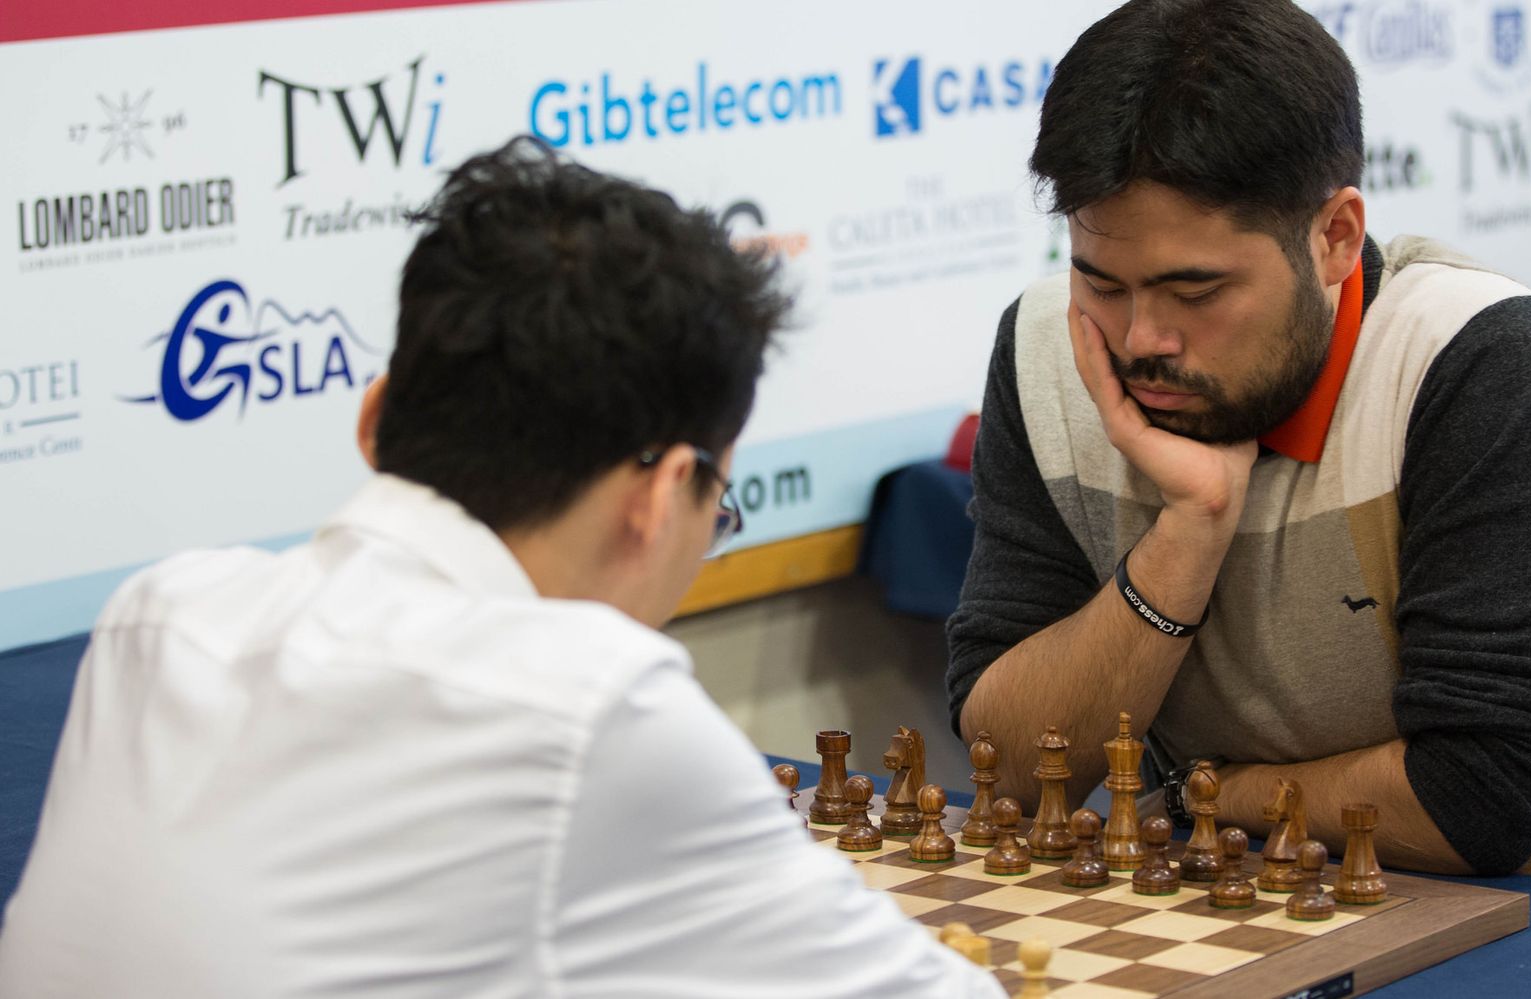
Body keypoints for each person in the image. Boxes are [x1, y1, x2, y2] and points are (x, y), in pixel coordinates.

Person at [0, 138, 1000, 997]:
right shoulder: (588, 702)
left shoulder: (160, 615)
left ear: (375, 416)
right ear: (659, 498)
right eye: (719, 507)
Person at [945, 0, 1531, 894]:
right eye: (1102, 281)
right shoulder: (1046, 347)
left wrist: (1202, 796)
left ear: (1335, 236)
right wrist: (1189, 531)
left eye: (1195, 289)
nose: (1142, 337)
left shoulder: (1481, 360)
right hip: (1213, 904)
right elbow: (1013, 761)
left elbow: (1482, 802)